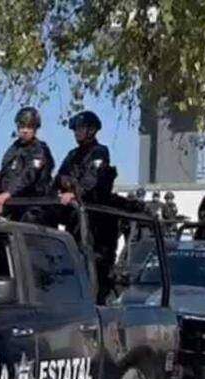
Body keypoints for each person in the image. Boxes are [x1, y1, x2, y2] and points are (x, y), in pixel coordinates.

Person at [55, 110, 117, 303]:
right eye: (75, 129)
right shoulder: (73, 154)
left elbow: (92, 181)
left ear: (91, 130)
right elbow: (59, 177)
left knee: (95, 266)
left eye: (80, 129)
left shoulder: (100, 152)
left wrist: (74, 191)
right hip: (75, 219)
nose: (76, 133)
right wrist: (64, 188)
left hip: (96, 220)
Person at [0, 106, 54, 221]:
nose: (24, 130)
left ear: (35, 128)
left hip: (34, 208)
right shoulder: (14, 148)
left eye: (29, 127)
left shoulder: (40, 149)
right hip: (14, 206)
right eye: (21, 126)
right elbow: (5, 172)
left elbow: (29, 175)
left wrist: (9, 193)